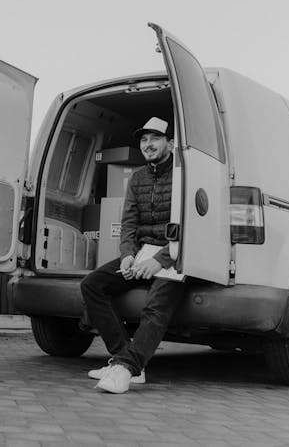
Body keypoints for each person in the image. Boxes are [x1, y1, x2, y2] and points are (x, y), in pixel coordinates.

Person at [80, 116, 186, 393]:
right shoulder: (138, 177)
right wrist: (128, 255)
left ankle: (128, 370)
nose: (148, 144)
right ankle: (122, 356)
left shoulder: (185, 175)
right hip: (142, 253)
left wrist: (160, 261)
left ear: (171, 143)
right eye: (144, 139)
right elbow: (129, 222)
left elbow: (191, 227)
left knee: (155, 305)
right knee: (92, 284)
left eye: (155, 138)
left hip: (178, 255)